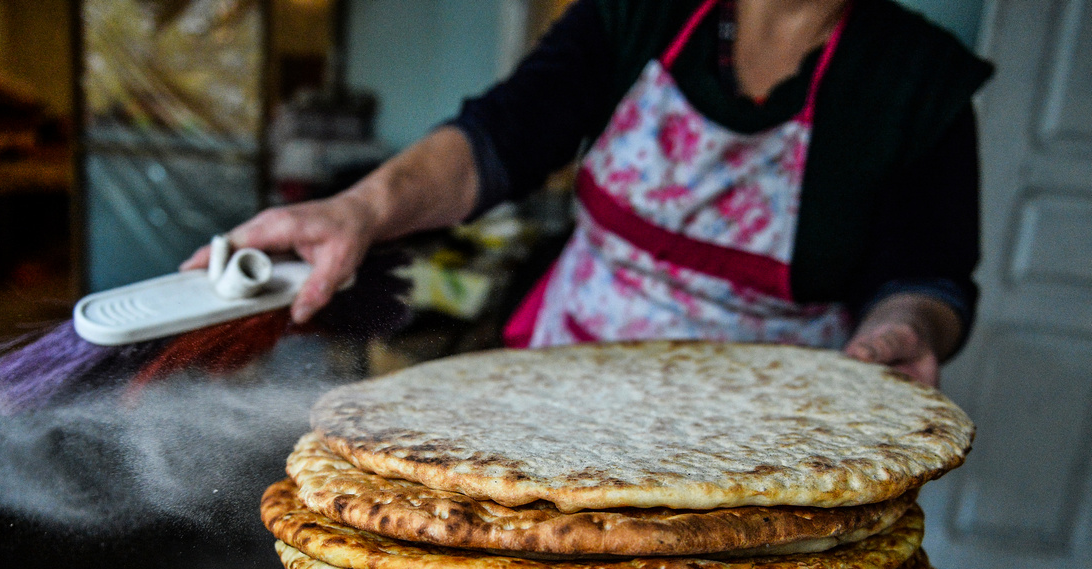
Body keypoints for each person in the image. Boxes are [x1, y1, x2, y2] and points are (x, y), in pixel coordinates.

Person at [182, 0, 992, 387]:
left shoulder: (919, 82)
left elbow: (925, 275)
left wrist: (904, 327)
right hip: (568, 372)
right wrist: (356, 209)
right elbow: (499, 138)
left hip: (770, 417)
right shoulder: (644, 12)